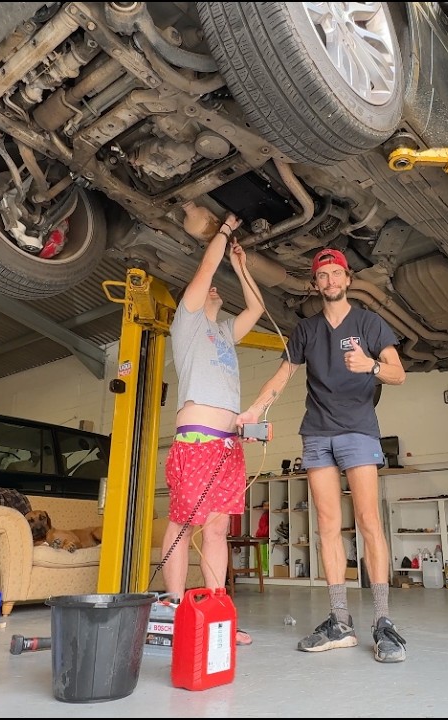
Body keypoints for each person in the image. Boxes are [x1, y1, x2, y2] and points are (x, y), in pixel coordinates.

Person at [236, 247, 408, 663]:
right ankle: (340, 621)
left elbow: (398, 373)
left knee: (368, 522)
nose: (330, 281)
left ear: (348, 279)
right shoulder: (307, 330)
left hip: (358, 431)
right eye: (323, 276)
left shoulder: (369, 323)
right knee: (328, 527)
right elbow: (283, 374)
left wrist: (369, 365)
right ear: (316, 284)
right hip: (317, 435)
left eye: (337, 274)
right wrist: (255, 409)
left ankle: (383, 622)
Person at [155, 201, 263, 647]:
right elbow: (204, 269)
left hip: (227, 446)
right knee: (182, 524)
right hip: (197, 442)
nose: (213, 291)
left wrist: (242, 266)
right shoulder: (188, 324)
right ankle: (176, 609)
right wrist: (225, 230)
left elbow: (256, 308)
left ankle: (217, 610)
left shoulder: (224, 334)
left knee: (217, 529)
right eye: (208, 291)